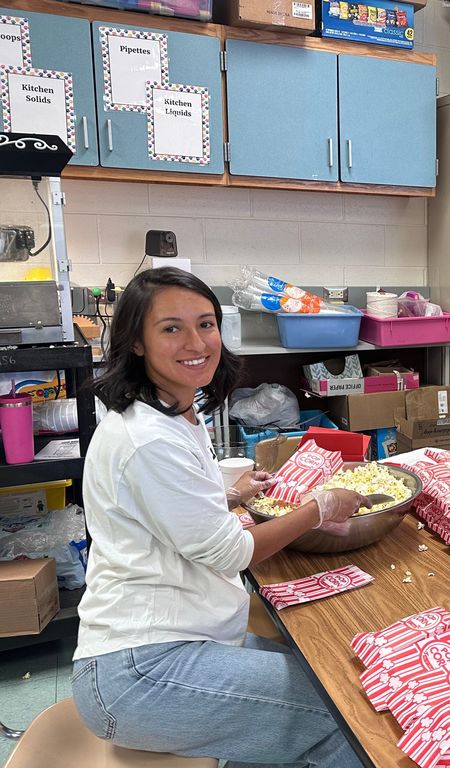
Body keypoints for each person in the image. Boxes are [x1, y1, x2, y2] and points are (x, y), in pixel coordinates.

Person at [72, 267, 370, 767]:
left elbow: (166, 510)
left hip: (186, 635)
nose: (196, 342)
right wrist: (318, 508)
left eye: (206, 324)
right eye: (171, 328)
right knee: (344, 713)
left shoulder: (174, 411)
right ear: (137, 342)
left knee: (329, 670)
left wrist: (228, 495)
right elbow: (230, 551)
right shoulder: (148, 438)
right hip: (139, 669)